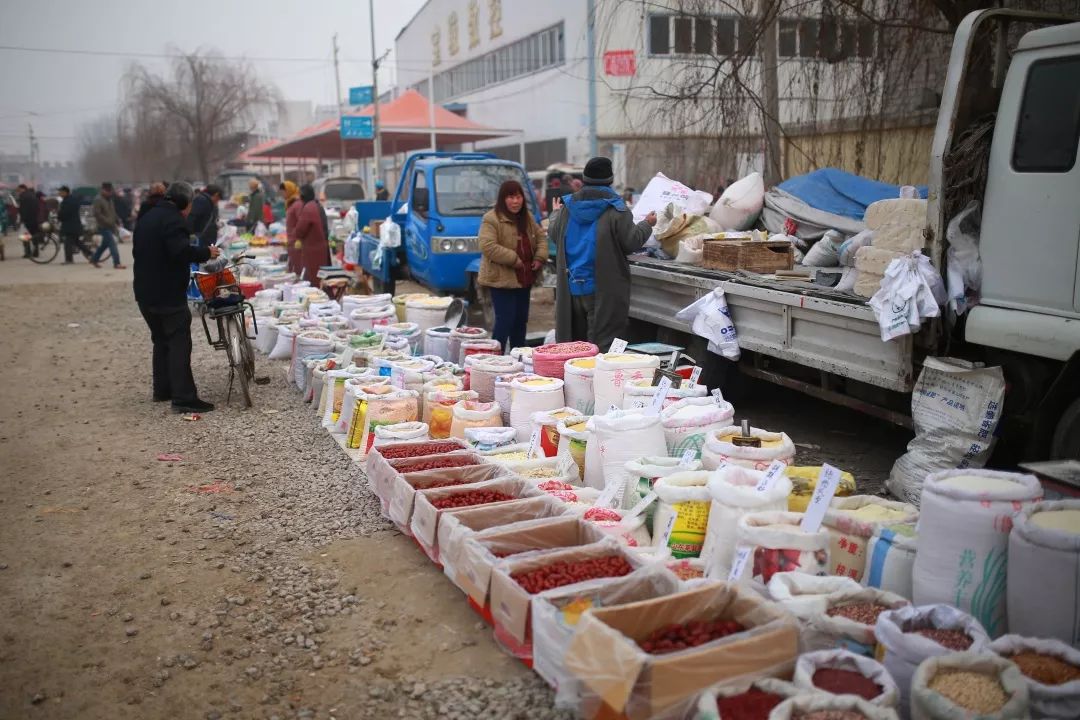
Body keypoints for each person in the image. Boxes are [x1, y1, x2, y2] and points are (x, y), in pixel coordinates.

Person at [547, 156, 657, 352]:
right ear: (610, 180)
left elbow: (554, 234)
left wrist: (555, 213)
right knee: (600, 348)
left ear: (584, 178)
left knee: (575, 349)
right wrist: (646, 224)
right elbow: (631, 242)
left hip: (571, 289)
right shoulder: (616, 208)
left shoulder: (567, 208)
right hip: (602, 290)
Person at [133, 181, 220, 413]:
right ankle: (183, 398)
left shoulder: (148, 217)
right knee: (179, 341)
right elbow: (180, 252)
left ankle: (162, 390)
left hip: (145, 293)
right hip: (167, 294)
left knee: (160, 340)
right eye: (190, 204)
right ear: (184, 202)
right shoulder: (173, 220)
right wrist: (206, 253)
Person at [478, 179, 547, 352]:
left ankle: (518, 355)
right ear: (503, 199)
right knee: (505, 320)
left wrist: (539, 257)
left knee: (520, 319)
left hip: (524, 277)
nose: (516, 202)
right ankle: (495, 357)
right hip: (501, 279)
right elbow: (487, 246)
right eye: (511, 197)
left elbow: (540, 238)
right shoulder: (491, 219)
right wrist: (514, 259)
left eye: (518, 197)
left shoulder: (527, 216)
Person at [294, 184, 328, 286]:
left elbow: (300, 231)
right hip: (321, 247)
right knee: (320, 278)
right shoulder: (316, 205)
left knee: (313, 280)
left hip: (312, 250)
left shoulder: (308, 208)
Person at [90, 182, 125, 269]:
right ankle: (117, 263)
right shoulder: (98, 200)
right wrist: (107, 221)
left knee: (104, 245)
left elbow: (112, 212)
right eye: (107, 191)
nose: (110, 193)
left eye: (110, 191)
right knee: (112, 244)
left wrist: (117, 220)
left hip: (111, 225)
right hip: (103, 226)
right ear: (103, 190)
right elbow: (97, 214)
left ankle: (94, 259)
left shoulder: (109, 199)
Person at [57, 186, 93, 263]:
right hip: (74, 225)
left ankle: (69, 260)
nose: (59, 193)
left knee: (68, 243)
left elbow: (65, 213)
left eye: (60, 192)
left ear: (65, 192)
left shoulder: (67, 201)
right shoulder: (72, 199)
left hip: (70, 226)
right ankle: (90, 253)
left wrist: (59, 216)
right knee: (77, 242)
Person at [187, 184, 222, 250]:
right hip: (196, 237)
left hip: (200, 237)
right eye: (218, 199)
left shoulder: (206, 201)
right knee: (195, 255)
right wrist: (192, 238)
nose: (217, 202)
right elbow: (191, 218)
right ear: (216, 195)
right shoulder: (202, 200)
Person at [280, 181, 301, 273]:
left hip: (296, 241)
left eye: (283, 192)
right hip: (291, 240)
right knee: (293, 266)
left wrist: (296, 237)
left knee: (297, 267)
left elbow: (300, 222)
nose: (282, 194)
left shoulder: (297, 204)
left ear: (289, 191)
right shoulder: (290, 203)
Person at [18, 183, 40, 258]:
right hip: (34, 219)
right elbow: (37, 208)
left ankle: (28, 252)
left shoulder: (23, 196)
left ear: (22, 189)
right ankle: (36, 252)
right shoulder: (33, 196)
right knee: (34, 236)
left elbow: (22, 209)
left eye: (19, 190)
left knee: (25, 236)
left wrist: (22, 219)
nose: (19, 192)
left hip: (26, 220)